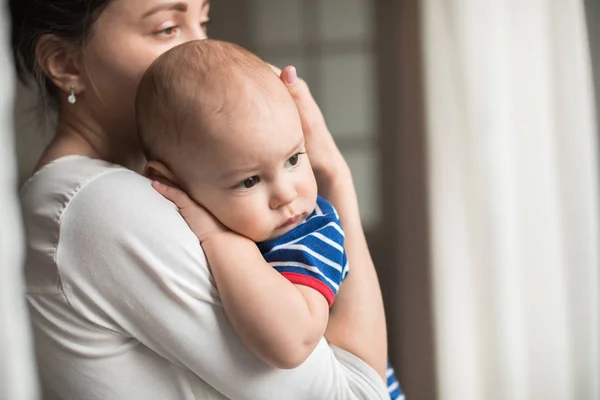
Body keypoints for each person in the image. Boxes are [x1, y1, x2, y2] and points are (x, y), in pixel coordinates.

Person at [12, 0, 393, 398]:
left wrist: (330, 170)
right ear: (64, 63)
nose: (199, 48)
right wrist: (335, 175)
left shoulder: (125, 196)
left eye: (203, 21)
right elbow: (360, 394)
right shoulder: (99, 205)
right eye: (167, 29)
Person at [135, 39, 404, 400]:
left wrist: (218, 238)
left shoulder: (311, 232)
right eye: (249, 180)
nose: (286, 194)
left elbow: (291, 342)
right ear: (169, 182)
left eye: (293, 159)